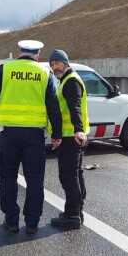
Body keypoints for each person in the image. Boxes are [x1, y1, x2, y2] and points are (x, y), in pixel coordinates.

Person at [0, 40, 62, 235]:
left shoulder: (6, 69)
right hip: (34, 136)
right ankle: (32, 224)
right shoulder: (45, 73)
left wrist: (5, 102)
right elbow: (53, 106)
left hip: (8, 134)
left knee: (8, 178)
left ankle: (11, 221)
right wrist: (56, 135)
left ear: (19, 53)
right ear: (37, 56)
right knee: (35, 179)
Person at [48, 49, 90, 230]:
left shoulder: (71, 82)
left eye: (57, 62)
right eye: (52, 64)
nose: (55, 67)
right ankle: (76, 211)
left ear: (66, 63)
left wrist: (79, 130)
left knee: (68, 176)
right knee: (76, 175)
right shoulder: (66, 80)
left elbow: (75, 107)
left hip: (71, 137)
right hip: (70, 137)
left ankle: (72, 215)